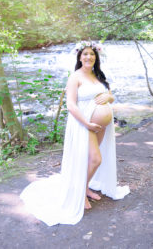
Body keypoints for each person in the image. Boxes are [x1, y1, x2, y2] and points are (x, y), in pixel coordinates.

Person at [20, 41, 130, 226]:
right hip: (84, 123)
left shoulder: (98, 75)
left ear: (96, 57)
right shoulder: (75, 77)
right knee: (95, 160)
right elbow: (71, 105)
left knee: (91, 159)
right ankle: (79, 193)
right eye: (85, 54)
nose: (89, 57)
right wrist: (87, 123)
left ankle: (84, 187)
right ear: (80, 57)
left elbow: (108, 94)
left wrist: (110, 97)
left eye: (92, 54)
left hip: (100, 126)